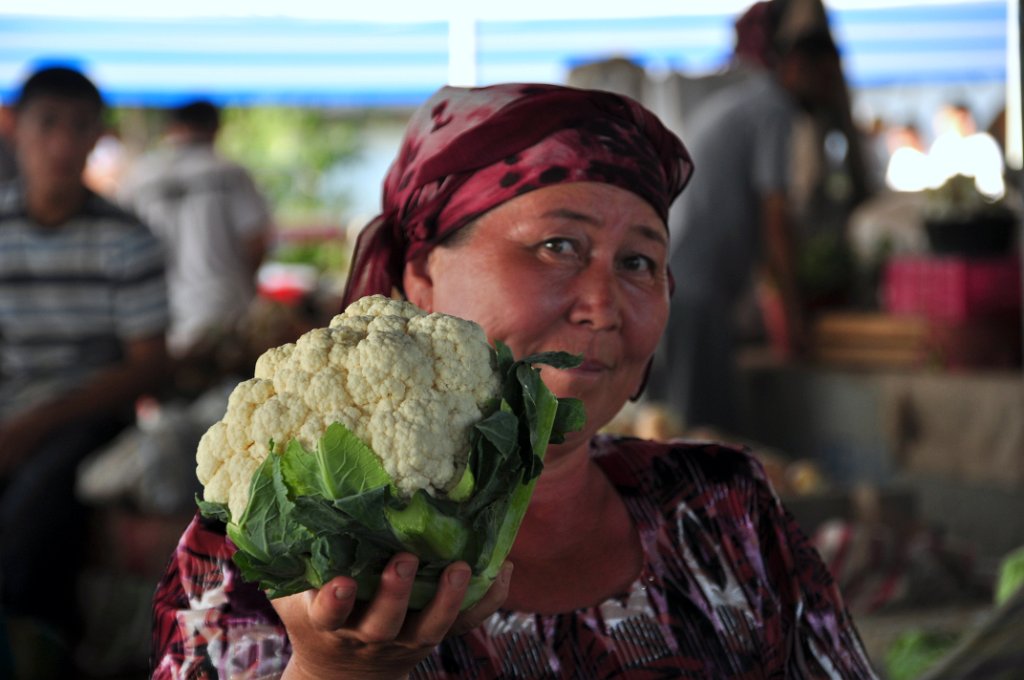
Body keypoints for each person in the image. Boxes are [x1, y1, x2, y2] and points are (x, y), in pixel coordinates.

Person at [151, 82, 877, 679]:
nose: (603, 306)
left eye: (639, 262)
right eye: (558, 246)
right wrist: (329, 669)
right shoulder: (260, 546)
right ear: (421, 275)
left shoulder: (723, 508)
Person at [0, 66, 169, 658]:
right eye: (47, 125)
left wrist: (37, 423)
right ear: (13, 128)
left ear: (99, 136)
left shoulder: (127, 239)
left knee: (35, 508)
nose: (62, 145)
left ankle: (38, 645)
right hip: (13, 412)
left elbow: (150, 366)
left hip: (90, 417)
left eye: (79, 128)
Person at [647, 21, 845, 433]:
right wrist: (792, 319)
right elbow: (776, 217)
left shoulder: (748, 102)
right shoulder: (775, 111)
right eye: (825, 77)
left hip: (681, 280)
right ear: (795, 67)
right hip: (695, 289)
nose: (828, 91)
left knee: (677, 422)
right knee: (704, 432)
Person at [118, 99, 272, 365]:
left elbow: (122, 246)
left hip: (156, 314)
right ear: (216, 127)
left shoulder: (140, 176)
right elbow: (256, 241)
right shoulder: (230, 173)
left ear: (172, 128)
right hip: (223, 308)